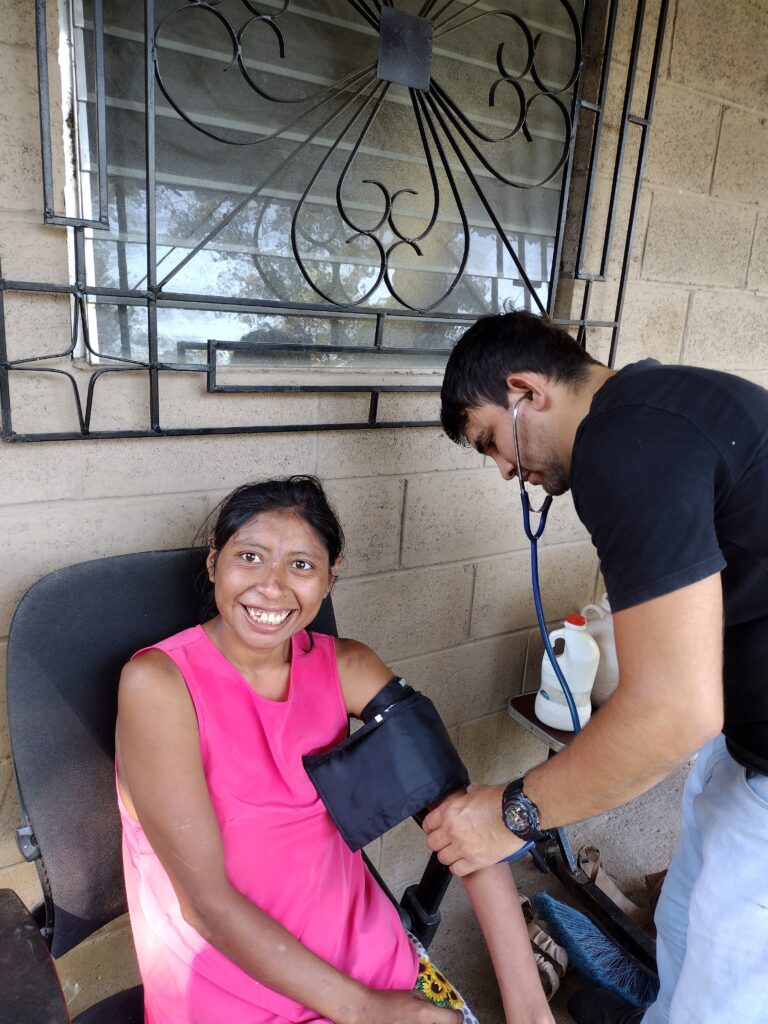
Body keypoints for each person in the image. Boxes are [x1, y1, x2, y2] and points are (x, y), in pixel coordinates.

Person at [423, 311, 768, 1024]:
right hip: (743, 738)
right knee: (682, 929)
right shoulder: (672, 404)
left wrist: (512, 814)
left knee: (726, 991)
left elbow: (675, 708)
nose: (506, 471)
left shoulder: (624, 443)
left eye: (493, 441)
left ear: (525, 389)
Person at [116, 475, 555, 1024]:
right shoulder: (159, 683)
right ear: (213, 563)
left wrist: (529, 1011)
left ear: (330, 578)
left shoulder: (347, 667)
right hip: (232, 994)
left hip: (374, 966)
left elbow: (464, 821)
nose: (271, 587)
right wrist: (366, 1010)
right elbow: (207, 904)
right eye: (249, 557)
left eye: (301, 565)